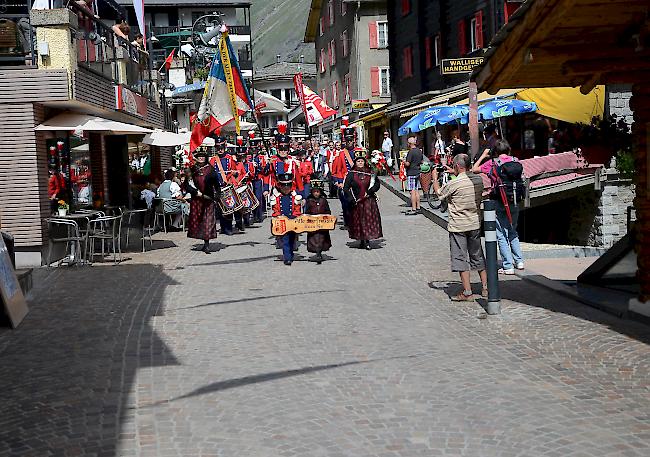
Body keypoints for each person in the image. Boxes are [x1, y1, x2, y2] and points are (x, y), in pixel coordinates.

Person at [432, 153, 488, 301]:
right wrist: (454, 171)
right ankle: (486, 287)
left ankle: (467, 291)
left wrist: (434, 177)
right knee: (478, 255)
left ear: (457, 166)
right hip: (475, 222)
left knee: (460, 257)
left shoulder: (454, 183)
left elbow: (439, 193)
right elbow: (465, 177)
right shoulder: (478, 179)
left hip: (458, 225)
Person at [472, 139, 525, 274]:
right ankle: (519, 261)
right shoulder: (516, 160)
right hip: (514, 200)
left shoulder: (493, 163)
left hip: (499, 201)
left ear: (495, 151)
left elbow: (474, 169)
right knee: (513, 231)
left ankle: (508, 266)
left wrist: (483, 156)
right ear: (508, 149)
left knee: (501, 234)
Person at [343, 149, 383, 250]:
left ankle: (368, 240)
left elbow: (377, 184)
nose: (360, 163)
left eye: (362, 161)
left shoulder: (370, 172)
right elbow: (346, 188)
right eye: (358, 161)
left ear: (365, 162)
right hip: (357, 202)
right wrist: (352, 199)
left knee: (368, 221)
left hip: (369, 201)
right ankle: (361, 239)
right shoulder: (351, 174)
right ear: (355, 162)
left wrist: (370, 191)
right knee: (359, 221)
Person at [186, 150, 220, 254]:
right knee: (198, 221)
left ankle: (207, 244)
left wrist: (217, 196)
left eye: (203, 156)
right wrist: (195, 192)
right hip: (197, 200)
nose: (201, 158)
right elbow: (186, 185)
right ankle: (202, 239)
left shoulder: (211, 170)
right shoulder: (192, 169)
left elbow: (217, 185)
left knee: (208, 221)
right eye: (199, 156)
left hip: (208, 199)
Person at [210, 136, 242, 235]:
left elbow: (235, 172)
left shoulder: (230, 158)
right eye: (218, 148)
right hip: (217, 187)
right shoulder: (213, 160)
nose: (220, 150)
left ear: (225, 146)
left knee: (229, 206)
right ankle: (223, 227)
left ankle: (228, 227)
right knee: (220, 209)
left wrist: (235, 173)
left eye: (221, 147)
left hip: (227, 185)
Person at [270, 173, 303, 265]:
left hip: (293, 222)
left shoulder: (294, 197)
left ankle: (290, 255)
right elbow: (275, 210)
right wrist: (278, 216)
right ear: (280, 186)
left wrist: (295, 217)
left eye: (288, 185)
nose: (286, 188)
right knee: (285, 240)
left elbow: (297, 210)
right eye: (284, 185)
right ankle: (287, 258)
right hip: (282, 222)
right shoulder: (277, 198)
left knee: (292, 240)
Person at [332, 130, 355, 228]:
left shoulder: (359, 151)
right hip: (345, 182)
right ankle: (348, 221)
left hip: (357, 181)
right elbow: (336, 170)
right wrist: (339, 182)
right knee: (346, 204)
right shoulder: (341, 154)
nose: (349, 142)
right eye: (347, 140)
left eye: (351, 140)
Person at [304, 180, 332, 264]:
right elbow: (307, 212)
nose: (316, 193)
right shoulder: (309, 201)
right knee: (314, 238)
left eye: (317, 191)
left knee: (322, 238)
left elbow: (328, 211)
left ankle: (319, 252)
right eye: (314, 192)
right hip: (313, 224)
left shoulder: (324, 201)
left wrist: (327, 217)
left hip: (322, 224)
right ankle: (317, 252)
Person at [403, 136, 423, 215]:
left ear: (409, 143)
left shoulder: (411, 152)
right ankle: (418, 207)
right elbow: (421, 161)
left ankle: (414, 209)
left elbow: (407, 163)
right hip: (417, 171)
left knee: (412, 191)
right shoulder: (419, 151)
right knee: (417, 190)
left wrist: (403, 161)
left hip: (411, 172)